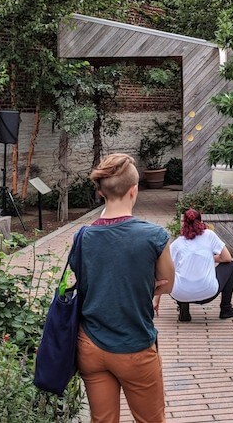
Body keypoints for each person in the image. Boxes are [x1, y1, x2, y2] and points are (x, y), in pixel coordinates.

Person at [69, 153, 174, 423]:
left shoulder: (82, 237)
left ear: (101, 192)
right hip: (134, 345)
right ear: (134, 190)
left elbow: (87, 277)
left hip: (90, 344)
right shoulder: (154, 236)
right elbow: (167, 283)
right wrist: (144, 284)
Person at [155, 209, 233, 321]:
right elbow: (227, 258)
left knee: (173, 270)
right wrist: (211, 258)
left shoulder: (177, 243)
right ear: (201, 221)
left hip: (181, 294)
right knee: (230, 265)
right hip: (208, 293)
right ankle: (226, 308)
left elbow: (163, 272)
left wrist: (157, 298)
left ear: (183, 223)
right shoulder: (209, 235)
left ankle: (183, 308)